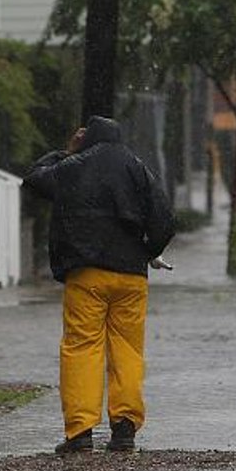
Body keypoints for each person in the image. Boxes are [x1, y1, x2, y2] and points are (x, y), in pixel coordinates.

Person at [23, 116, 176, 453]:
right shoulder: (137, 168)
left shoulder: (73, 167)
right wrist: (147, 251)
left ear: (86, 138)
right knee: (127, 350)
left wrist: (66, 152)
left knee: (82, 346)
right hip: (131, 276)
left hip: (87, 274)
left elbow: (34, 180)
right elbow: (165, 220)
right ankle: (124, 429)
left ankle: (80, 432)